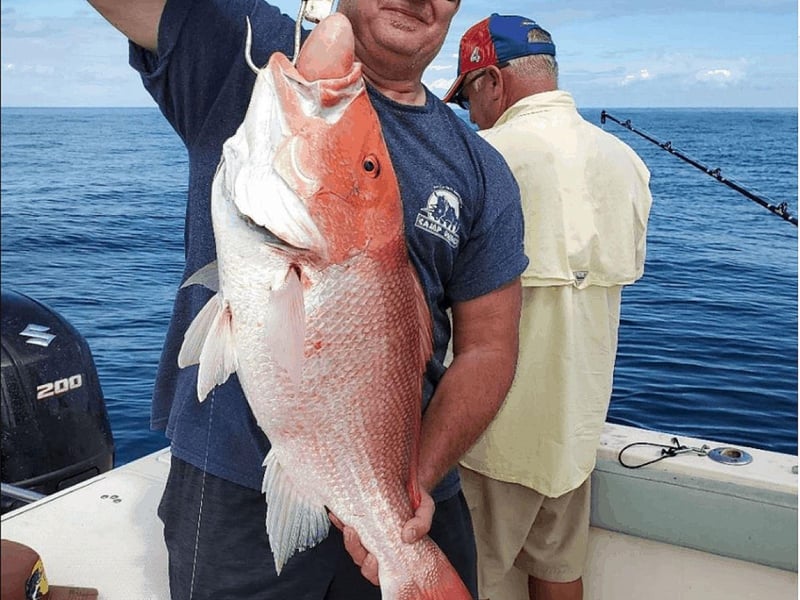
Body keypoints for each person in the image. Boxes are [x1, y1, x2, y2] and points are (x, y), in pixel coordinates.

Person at [86, 1, 528, 598]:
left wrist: (408, 489)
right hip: (235, 493)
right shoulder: (253, 48)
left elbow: (490, 349)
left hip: (411, 493)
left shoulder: (482, 169)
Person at [443, 13, 652, 600]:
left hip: (484, 439)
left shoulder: (480, 160)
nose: (469, 115)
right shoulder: (626, 164)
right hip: (574, 432)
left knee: (455, 579)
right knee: (559, 572)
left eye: (466, 100)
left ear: (491, 81)